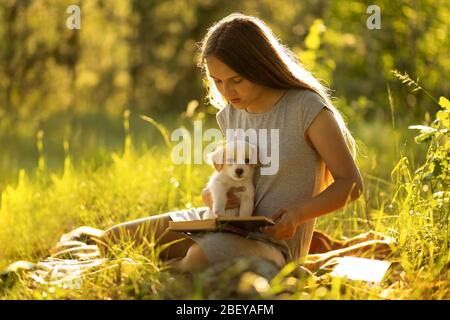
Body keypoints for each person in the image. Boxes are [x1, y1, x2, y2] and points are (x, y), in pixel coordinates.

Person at [98, 13, 364, 273]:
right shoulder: (230, 114)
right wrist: (217, 197)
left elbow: (351, 184)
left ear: (260, 65)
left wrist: (297, 214)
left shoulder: (307, 108)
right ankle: (173, 269)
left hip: (274, 245)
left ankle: (172, 273)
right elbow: (224, 184)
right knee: (112, 240)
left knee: (197, 258)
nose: (226, 92)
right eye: (218, 81)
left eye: (236, 80)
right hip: (223, 226)